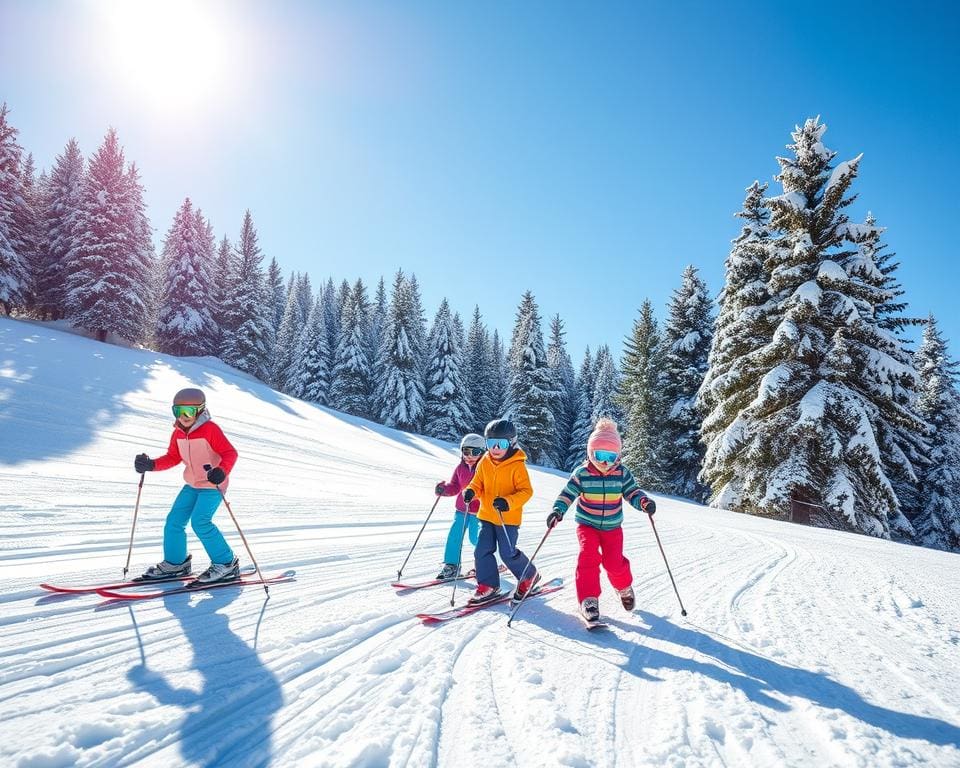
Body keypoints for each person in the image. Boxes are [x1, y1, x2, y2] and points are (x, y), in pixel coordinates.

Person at [546, 418, 656, 623]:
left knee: (614, 563)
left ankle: (623, 587)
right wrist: (557, 511)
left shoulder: (622, 473)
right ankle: (588, 599)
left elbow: (632, 492)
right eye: (599, 455)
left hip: (613, 527)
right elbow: (567, 494)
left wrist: (643, 502)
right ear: (590, 452)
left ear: (618, 455)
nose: (604, 462)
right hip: (587, 525)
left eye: (610, 456)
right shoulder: (582, 474)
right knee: (588, 557)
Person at [133, 387, 241, 584]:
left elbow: (230, 453)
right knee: (174, 521)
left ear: (200, 410)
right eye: (178, 411)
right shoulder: (178, 434)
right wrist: (151, 465)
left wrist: (222, 470)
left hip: (213, 484)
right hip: (192, 483)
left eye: (188, 411)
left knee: (200, 521)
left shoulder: (211, 430)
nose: (183, 416)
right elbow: (173, 457)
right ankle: (177, 563)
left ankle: (226, 564)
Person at [462, 418, 539, 605]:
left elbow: (526, 491)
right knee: (482, 550)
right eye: (490, 443)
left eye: (501, 444)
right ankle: (488, 585)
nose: (495, 448)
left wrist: (507, 502)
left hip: (508, 519)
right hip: (487, 515)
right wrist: (471, 491)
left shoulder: (517, 464)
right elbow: (478, 483)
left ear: (511, 443)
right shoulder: (484, 462)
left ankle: (529, 575)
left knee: (507, 552)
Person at [433, 433, 485, 579]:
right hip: (462, 509)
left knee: (476, 538)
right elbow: (455, 486)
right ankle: (452, 565)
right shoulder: (460, 468)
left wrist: (475, 495)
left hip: (479, 511)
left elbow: (489, 490)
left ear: (483, 453)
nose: (469, 456)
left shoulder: (485, 469)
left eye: (475, 452)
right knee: (454, 536)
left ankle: (485, 563)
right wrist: (444, 490)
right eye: (466, 451)